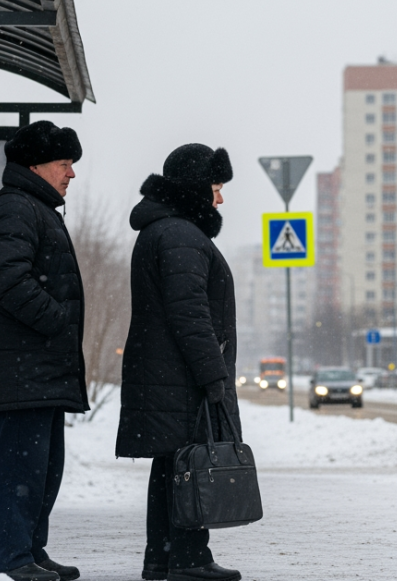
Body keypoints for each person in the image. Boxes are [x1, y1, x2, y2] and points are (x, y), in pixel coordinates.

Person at [117, 144, 241, 581]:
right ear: (195, 187)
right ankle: (188, 558)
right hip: (180, 376)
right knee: (190, 467)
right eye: (216, 187)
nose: (220, 199)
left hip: (165, 372)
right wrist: (214, 375)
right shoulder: (181, 236)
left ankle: (165, 557)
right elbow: (190, 315)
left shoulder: (165, 231)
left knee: (174, 466)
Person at [0, 120, 89, 581]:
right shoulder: (16, 209)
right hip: (22, 365)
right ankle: (11, 558)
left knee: (43, 468)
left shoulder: (35, 208)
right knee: (20, 466)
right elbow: (7, 277)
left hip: (38, 366)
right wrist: (57, 320)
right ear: (36, 165)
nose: (71, 174)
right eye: (64, 164)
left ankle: (30, 550)